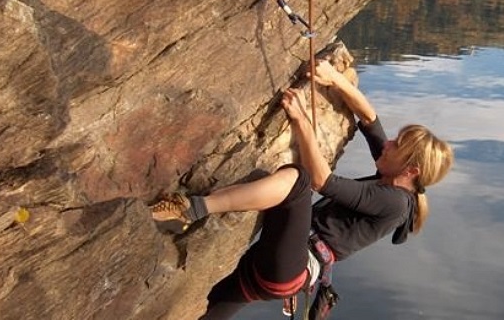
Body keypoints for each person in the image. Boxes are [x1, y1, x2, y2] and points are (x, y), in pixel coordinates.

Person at [150, 60, 454, 320]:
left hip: (290, 268)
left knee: (297, 182)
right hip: (281, 259)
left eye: (397, 145)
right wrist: (335, 79)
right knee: (218, 301)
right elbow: (370, 119)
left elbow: (324, 181)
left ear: (411, 171)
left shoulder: (395, 204)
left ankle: (191, 209)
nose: (388, 144)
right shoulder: (390, 177)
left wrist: (301, 121)